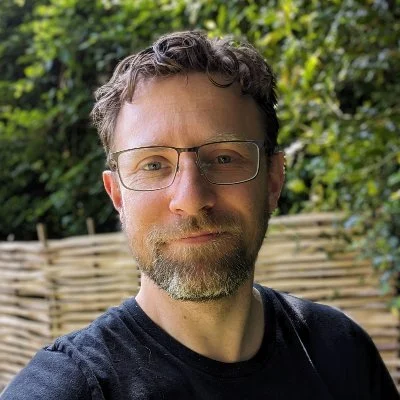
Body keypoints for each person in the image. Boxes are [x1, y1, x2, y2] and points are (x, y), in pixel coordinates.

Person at [1, 31, 398, 400]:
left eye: (224, 158)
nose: (190, 199)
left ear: (273, 181)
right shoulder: (67, 390)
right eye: (153, 165)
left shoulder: (342, 354)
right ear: (117, 194)